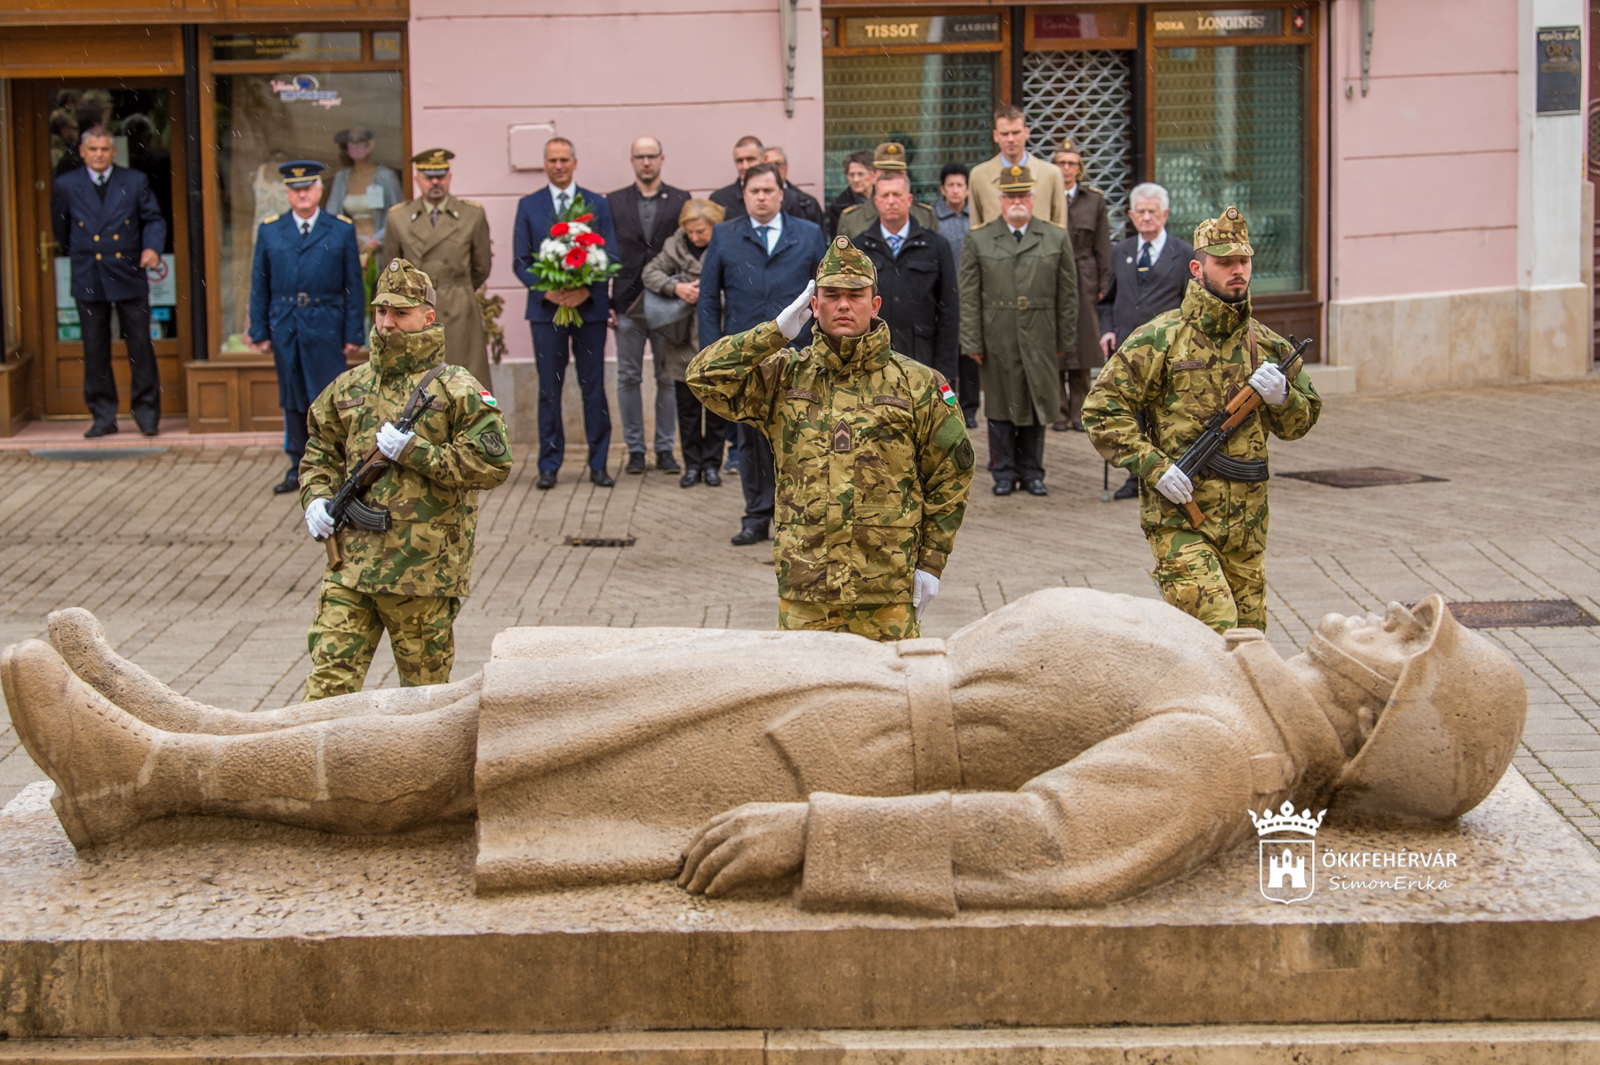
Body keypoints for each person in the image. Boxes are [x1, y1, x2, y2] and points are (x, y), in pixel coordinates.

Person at [14, 591, 1526, 919]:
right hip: (828, 675)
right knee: (497, 692)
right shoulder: (1240, 672)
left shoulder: (1225, 750)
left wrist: (829, 837)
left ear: (1389, 727)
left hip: (833, 742)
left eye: (1411, 636)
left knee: (487, 750)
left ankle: (146, 777)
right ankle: (199, 728)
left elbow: (1057, 846)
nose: (1382, 612)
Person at [690, 236, 972, 639]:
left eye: (855, 295)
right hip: (807, 589)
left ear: (874, 305)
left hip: (884, 590)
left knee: (888, 698)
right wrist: (774, 332)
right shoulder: (784, 376)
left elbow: (952, 474)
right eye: (831, 295)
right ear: (813, 304)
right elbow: (703, 377)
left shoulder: (918, 383)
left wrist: (931, 561)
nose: (843, 305)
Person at [1083, 207, 1321, 634]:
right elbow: (1101, 411)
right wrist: (1155, 468)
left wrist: (1283, 398)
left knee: (1249, 644)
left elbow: (1300, 423)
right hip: (1180, 518)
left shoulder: (1265, 344)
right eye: (1224, 262)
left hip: (1247, 527)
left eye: (1243, 261)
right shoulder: (1160, 338)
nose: (1237, 271)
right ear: (1197, 268)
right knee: (1219, 630)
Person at [296, 258, 512, 699]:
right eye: (381, 312)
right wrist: (315, 499)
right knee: (327, 690)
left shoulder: (456, 389)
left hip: (421, 573)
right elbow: (319, 450)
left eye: (400, 313)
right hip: (350, 568)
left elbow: (494, 463)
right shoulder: (350, 386)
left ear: (427, 317)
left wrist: (416, 453)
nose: (388, 323)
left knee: (423, 701)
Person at [694, 162, 827, 546]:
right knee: (751, 438)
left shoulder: (808, 233)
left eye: (769, 190)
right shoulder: (724, 235)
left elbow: (823, 292)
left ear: (782, 193)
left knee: (802, 436)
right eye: (755, 191)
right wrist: (714, 353)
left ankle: (801, 516)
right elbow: (707, 299)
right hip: (747, 355)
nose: (762, 197)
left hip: (799, 355)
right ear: (744, 195)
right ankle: (755, 516)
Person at [958, 166, 1076, 498]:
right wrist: (971, 340)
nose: (1017, 201)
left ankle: (1033, 472)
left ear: (1034, 198)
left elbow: (1068, 295)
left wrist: (1065, 341)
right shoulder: (979, 238)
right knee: (1000, 407)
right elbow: (968, 296)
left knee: (1036, 405)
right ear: (1000, 200)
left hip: (1041, 335)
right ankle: (1004, 472)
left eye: (1023, 195)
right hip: (998, 336)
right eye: (1010, 196)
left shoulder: (1055, 236)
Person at [248, 161, 365, 494]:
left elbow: (352, 286)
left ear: (319, 190)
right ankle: (297, 465)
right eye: (295, 189)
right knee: (293, 398)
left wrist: (353, 332)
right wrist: (260, 330)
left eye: (307, 187)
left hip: (326, 322)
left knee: (329, 398)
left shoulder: (340, 229)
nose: (301, 194)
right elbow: (260, 284)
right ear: (286, 193)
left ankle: (336, 465)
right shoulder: (271, 230)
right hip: (286, 323)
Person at [512, 137, 620, 490]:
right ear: (545, 164)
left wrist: (585, 289)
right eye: (552, 160)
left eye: (564, 160)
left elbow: (611, 257)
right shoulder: (528, 206)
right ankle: (548, 464)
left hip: (588, 311)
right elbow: (520, 261)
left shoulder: (596, 203)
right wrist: (549, 290)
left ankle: (599, 464)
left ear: (575, 163)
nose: (558, 165)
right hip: (546, 312)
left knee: (593, 387)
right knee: (549, 388)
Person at [50, 124, 168, 439]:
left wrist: (152, 248)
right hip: (89, 273)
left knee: (140, 346)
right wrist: (84, 250)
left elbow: (154, 218)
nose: (99, 155)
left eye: (105, 149)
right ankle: (103, 416)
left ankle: (146, 415)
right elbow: (61, 230)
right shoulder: (65, 184)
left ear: (113, 152)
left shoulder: (134, 180)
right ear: (83, 152)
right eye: (93, 149)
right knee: (95, 348)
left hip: (128, 270)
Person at [1095, 182, 1194, 500]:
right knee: (1132, 412)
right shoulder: (1120, 251)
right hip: (1128, 350)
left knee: (1163, 412)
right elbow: (1107, 300)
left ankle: (1168, 472)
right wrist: (1107, 329)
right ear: (1131, 216)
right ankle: (1135, 477)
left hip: (1167, 350)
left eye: (1153, 211)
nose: (1147, 217)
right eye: (1141, 212)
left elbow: (1191, 303)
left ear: (1165, 214)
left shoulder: (1183, 253)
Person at [609, 136, 692, 476]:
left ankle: (665, 449)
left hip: (667, 304)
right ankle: (636, 451)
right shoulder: (613, 202)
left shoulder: (680, 200)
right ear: (631, 160)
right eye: (640, 156)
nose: (646, 162)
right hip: (627, 303)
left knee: (667, 377)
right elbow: (604, 254)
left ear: (662, 158)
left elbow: (688, 250)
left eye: (652, 156)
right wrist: (606, 304)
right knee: (628, 377)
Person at [380, 148, 494, 388]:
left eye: (441, 176)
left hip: (459, 310)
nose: (435, 182)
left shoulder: (471, 215)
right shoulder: (398, 218)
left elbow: (481, 267)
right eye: (428, 176)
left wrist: (455, 289)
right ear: (417, 180)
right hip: (414, 312)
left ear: (449, 178)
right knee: (417, 384)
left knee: (464, 383)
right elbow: (391, 271)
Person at [642, 198, 730, 487]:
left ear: (715, 226)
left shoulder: (727, 243)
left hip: (717, 335)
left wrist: (708, 293)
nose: (695, 237)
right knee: (688, 407)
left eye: (701, 231)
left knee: (717, 407)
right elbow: (650, 273)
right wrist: (677, 287)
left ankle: (713, 464)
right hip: (681, 339)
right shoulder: (674, 245)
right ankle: (692, 466)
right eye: (690, 231)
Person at [852, 169, 959, 383]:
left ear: (909, 199)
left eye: (897, 195)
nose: (891, 201)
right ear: (876, 201)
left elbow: (949, 311)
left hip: (921, 359)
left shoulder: (936, 246)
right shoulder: (859, 248)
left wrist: (944, 370)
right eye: (885, 195)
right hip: (870, 362)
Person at [1050, 139, 1112, 434]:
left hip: (1084, 274)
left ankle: (1079, 410)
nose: (1066, 168)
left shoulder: (1094, 200)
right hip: (1053, 276)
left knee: (1084, 345)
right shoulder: (1046, 196)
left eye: (1071, 163)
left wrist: (1103, 281)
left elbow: (1103, 244)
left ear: (1080, 168)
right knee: (1056, 342)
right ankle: (1059, 411)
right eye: (1061, 163)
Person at [967, 105, 1067, 229]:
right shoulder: (979, 176)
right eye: (1004, 134)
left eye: (1016, 132)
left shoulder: (1051, 174)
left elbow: (1059, 228)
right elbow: (977, 229)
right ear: (995, 135)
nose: (1010, 139)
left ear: (1027, 132)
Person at [935, 162, 979, 429]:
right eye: (950, 185)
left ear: (967, 189)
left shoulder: (976, 218)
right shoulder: (934, 217)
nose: (955, 190)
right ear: (942, 189)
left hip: (971, 295)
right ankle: (947, 403)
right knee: (947, 352)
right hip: (944, 295)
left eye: (959, 185)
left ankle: (971, 408)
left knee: (969, 353)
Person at [326, 128, 403, 259]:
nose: (356, 145)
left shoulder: (385, 176)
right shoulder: (341, 178)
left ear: (371, 144)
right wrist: (347, 240)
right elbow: (332, 215)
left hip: (380, 248)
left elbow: (398, 215)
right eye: (351, 141)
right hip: (351, 248)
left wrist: (374, 241)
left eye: (360, 140)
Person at [836, 142, 937, 240]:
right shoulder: (851, 220)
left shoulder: (925, 216)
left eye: (897, 172)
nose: (891, 178)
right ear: (873, 177)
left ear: (905, 175)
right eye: (885, 172)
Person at [760, 146, 825, 228]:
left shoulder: (807, 203)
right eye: (767, 165)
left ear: (786, 167)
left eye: (778, 164)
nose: (773, 170)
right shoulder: (751, 202)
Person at [709, 135, 766, 222]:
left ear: (764, 159)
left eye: (750, 159)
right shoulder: (720, 200)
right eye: (739, 161)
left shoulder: (786, 197)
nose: (745, 166)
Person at [827, 150, 875, 238]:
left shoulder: (885, 198)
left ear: (872, 175)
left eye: (860, 174)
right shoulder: (839, 206)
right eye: (851, 175)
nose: (855, 179)